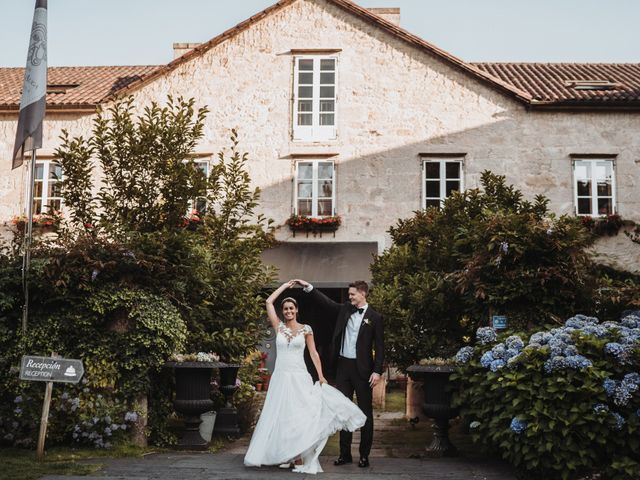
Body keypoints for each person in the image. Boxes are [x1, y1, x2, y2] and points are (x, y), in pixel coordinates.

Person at [243, 280, 366, 474]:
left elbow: (314, 354)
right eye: (285, 308)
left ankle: (298, 455)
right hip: (281, 378)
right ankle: (287, 454)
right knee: (281, 416)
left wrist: (321, 376)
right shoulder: (279, 328)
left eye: (291, 308)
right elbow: (268, 302)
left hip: (299, 376)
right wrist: (285, 287)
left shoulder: (306, 329)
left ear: (296, 310)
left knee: (299, 416)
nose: (288, 311)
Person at [295, 279, 384, 468]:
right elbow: (326, 303)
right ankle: (345, 454)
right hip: (343, 367)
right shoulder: (344, 310)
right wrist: (309, 288)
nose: (349, 297)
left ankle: (364, 455)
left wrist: (377, 371)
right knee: (343, 412)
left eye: (352, 294)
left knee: (366, 413)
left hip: (363, 371)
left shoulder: (375, 318)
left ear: (363, 293)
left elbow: (381, 347)